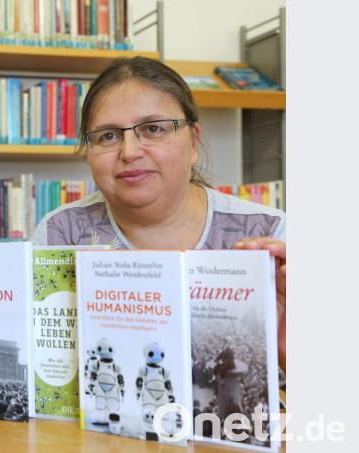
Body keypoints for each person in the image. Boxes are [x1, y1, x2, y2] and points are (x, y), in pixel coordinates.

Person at [31, 56, 286, 373]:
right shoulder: (60, 233)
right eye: (108, 136)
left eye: (153, 129)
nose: (130, 152)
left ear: (193, 142)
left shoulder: (268, 235)